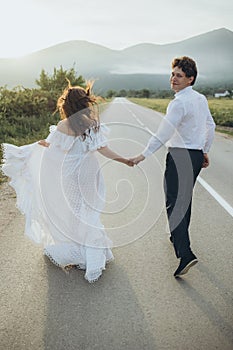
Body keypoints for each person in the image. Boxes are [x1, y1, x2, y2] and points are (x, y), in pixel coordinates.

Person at [2, 81, 134, 282]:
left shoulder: (63, 126)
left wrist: (39, 147)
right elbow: (103, 149)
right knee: (88, 210)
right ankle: (91, 248)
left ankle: (77, 250)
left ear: (67, 106)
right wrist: (124, 160)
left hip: (70, 176)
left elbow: (55, 149)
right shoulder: (92, 125)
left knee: (73, 211)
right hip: (90, 174)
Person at [130, 56, 215, 277]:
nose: (173, 79)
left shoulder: (178, 103)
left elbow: (163, 133)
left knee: (173, 202)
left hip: (179, 156)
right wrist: (204, 150)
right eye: (172, 74)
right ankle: (177, 237)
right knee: (184, 198)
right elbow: (210, 125)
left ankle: (185, 253)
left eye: (179, 75)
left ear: (190, 79)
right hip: (195, 156)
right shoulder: (200, 99)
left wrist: (143, 155)